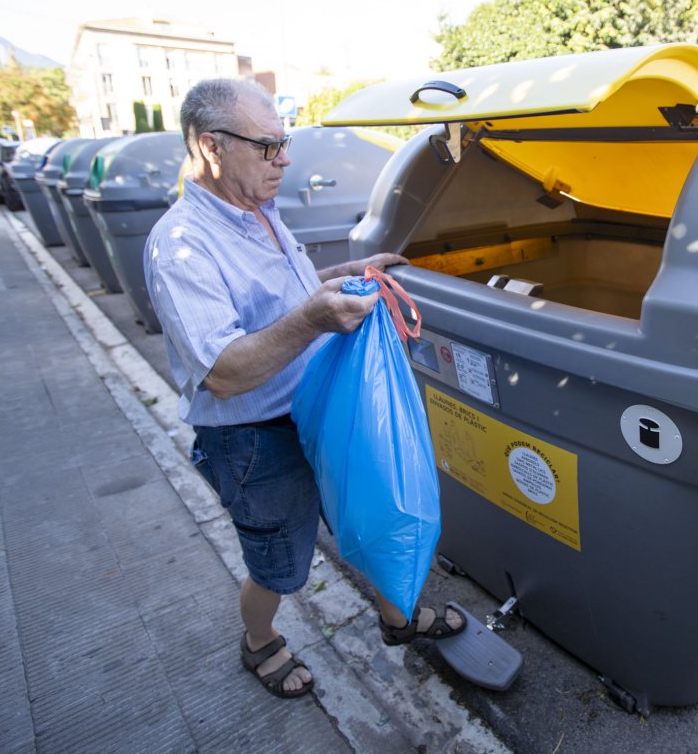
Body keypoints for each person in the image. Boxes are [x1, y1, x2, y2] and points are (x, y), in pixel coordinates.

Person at [144, 78, 464, 700]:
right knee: (280, 563)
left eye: (283, 142)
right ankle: (259, 640)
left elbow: (279, 296)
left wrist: (344, 274)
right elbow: (224, 372)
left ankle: (397, 619)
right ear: (212, 146)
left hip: (317, 407)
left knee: (370, 517)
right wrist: (317, 318)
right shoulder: (181, 246)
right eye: (268, 146)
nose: (284, 159)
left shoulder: (258, 209)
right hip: (255, 440)